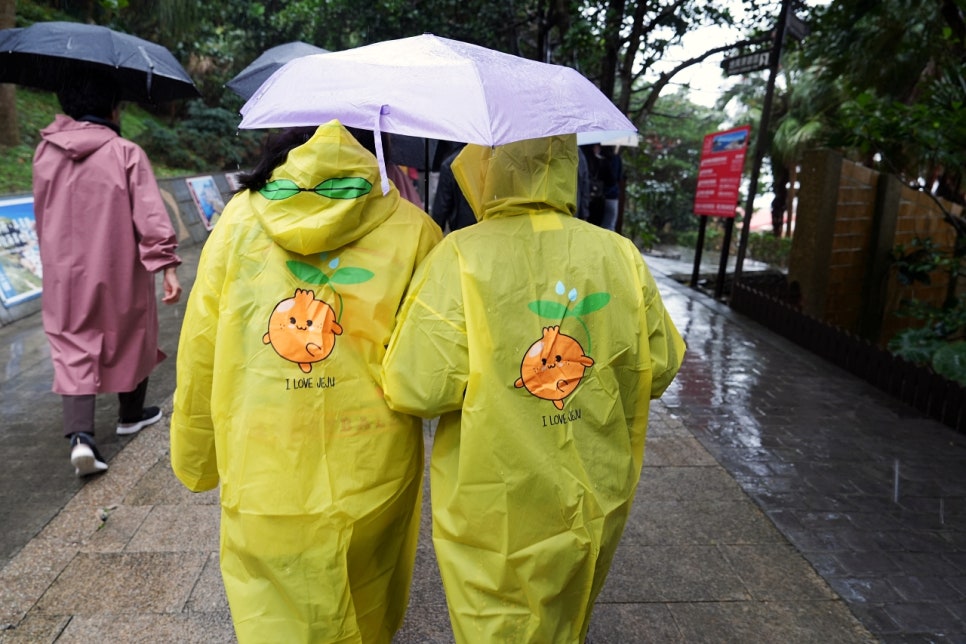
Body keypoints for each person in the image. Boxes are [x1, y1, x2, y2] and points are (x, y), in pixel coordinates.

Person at [382, 134, 685, 643]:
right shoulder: (619, 255)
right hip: (596, 491)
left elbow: (418, 385)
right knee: (565, 620)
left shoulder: (461, 256)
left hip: (494, 504)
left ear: (487, 168)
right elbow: (662, 365)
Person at [170, 120, 442, 643]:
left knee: (275, 616)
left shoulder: (239, 221)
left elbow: (201, 344)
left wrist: (197, 454)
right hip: (372, 469)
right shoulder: (412, 228)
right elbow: (424, 373)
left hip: (262, 471)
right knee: (362, 603)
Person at [32, 71, 182, 478]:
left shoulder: (45, 154)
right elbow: (150, 216)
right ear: (114, 109)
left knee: (72, 343)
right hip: (118, 268)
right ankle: (130, 414)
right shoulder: (125, 152)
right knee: (131, 332)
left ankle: (81, 436)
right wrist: (165, 264)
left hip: (64, 271)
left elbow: (41, 213)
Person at [431, 145, 476, 232]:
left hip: (462, 228)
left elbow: (441, 207)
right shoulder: (493, 158)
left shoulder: (451, 164)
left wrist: (436, 231)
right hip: (492, 226)